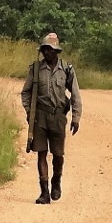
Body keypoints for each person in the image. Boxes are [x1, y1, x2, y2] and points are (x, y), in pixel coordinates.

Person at [21, 33, 82, 205]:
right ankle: (44, 192)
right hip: (40, 116)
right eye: (44, 50)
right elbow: (25, 92)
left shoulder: (67, 69)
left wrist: (75, 117)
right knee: (41, 152)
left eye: (49, 50)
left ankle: (56, 180)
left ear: (56, 51)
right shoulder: (35, 69)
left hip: (58, 116)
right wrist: (29, 112)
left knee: (58, 154)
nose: (46, 53)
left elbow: (75, 94)